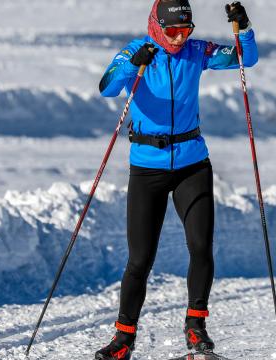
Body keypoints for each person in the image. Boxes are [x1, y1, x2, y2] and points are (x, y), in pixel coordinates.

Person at [95, 0, 258, 358]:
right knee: (140, 259)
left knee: (201, 247)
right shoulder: (137, 50)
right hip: (147, 169)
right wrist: (130, 69)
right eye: (173, 31)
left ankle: (196, 327)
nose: (180, 39)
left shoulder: (197, 52)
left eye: (186, 31)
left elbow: (245, 58)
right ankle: (124, 338)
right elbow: (107, 87)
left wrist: (243, 28)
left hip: (192, 164)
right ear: (157, 26)